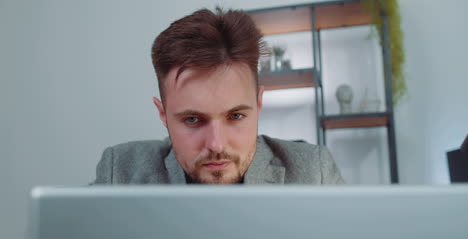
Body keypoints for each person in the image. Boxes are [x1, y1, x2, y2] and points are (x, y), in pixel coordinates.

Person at [94, 7, 344, 185]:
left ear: (259, 104)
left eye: (235, 116)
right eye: (192, 119)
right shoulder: (120, 172)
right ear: (163, 114)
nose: (216, 145)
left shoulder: (313, 173)